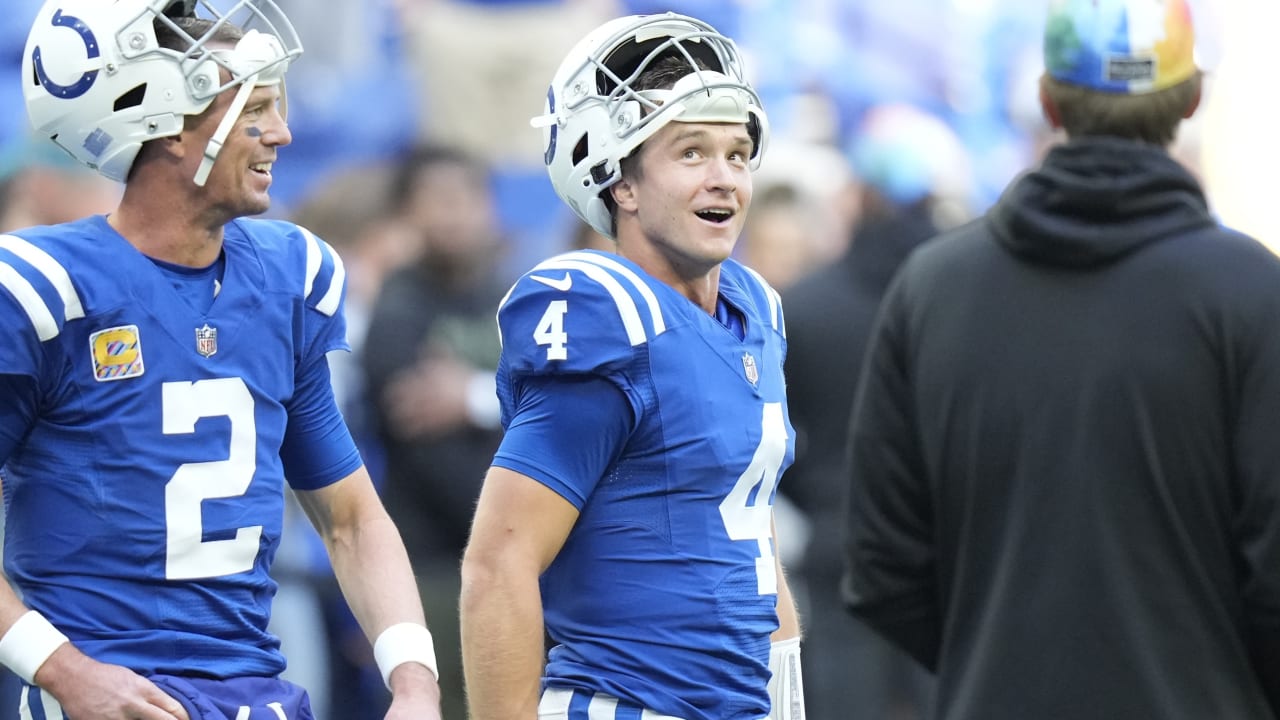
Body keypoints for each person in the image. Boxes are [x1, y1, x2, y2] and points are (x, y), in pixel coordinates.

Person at [0, 1, 442, 718]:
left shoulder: (288, 276)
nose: (282, 132)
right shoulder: (48, 290)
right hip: (109, 696)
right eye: (256, 108)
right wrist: (65, 673)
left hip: (254, 693)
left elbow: (351, 517)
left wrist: (415, 681)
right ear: (172, 125)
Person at [841, 1, 1280, 718]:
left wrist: (999, 659)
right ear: (1193, 98)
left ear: (1047, 100)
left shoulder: (931, 290)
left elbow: (883, 570)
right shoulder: (1255, 294)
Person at [460, 12, 806, 720]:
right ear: (622, 184)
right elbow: (499, 566)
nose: (725, 180)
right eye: (691, 154)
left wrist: (787, 696)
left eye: (737, 154)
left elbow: (749, 528)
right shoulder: (607, 316)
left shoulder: (752, 310)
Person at [784, 102, 974, 720]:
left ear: (860, 192)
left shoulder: (805, 305)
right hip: (953, 551)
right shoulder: (974, 301)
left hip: (842, 548)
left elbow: (772, 438)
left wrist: (820, 498)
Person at [362, 143, 511, 720]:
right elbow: (430, 451)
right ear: (407, 214)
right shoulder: (397, 310)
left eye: (468, 197)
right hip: (431, 565)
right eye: (437, 200)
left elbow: (560, 407)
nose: (455, 214)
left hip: (518, 563)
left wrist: (476, 398)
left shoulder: (514, 300)